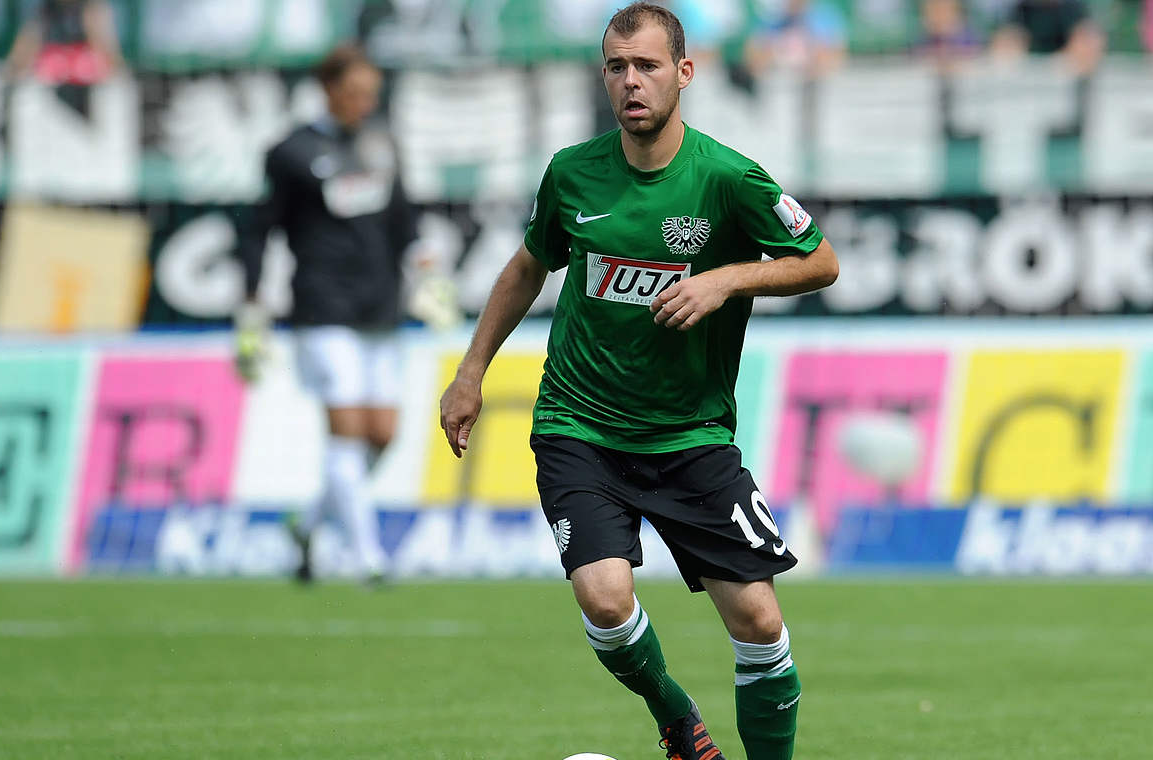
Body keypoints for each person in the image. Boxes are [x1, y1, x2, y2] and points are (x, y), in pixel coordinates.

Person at [438, 4, 838, 759]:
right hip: (579, 427)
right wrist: (470, 372)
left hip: (689, 436)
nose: (631, 82)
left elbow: (820, 260)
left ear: (683, 73)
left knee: (757, 620)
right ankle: (675, 715)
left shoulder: (727, 178)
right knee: (604, 597)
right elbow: (530, 265)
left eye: (648, 66)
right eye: (617, 67)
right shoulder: (572, 172)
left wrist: (724, 279)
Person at [236, 43, 421, 586]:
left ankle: (308, 524)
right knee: (347, 431)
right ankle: (369, 558)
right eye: (356, 92)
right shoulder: (291, 152)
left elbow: (403, 220)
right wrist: (251, 302)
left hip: (380, 308)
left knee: (382, 434)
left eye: (372, 93)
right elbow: (258, 229)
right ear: (329, 89)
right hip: (322, 307)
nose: (365, 102)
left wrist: (424, 264)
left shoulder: (382, 145)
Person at [4, 0, 123, 84]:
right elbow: (26, 44)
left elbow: (107, 48)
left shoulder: (94, 8)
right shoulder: (42, 9)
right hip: (50, 83)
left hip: (85, 82)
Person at [989, 0, 1105, 73]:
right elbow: (1003, 50)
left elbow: (1089, 46)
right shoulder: (1021, 9)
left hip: (1066, 79)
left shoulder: (1073, 9)